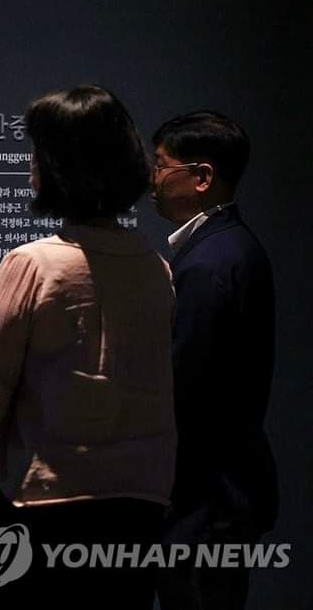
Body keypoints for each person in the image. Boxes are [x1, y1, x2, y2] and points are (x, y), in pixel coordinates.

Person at [0, 85, 176, 610]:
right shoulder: (156, 267)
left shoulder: (31, 264)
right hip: (138, 508)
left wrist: (1, 466)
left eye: (39, 151)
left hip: (43, 505)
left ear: (60, 165)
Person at [150, 111, 277, 610]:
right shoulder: (232, 247)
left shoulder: (208, 263)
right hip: (223, 495)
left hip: (203, 503)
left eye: (161, 165)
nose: (152, 179)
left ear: (201, 177)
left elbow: (183, 385)